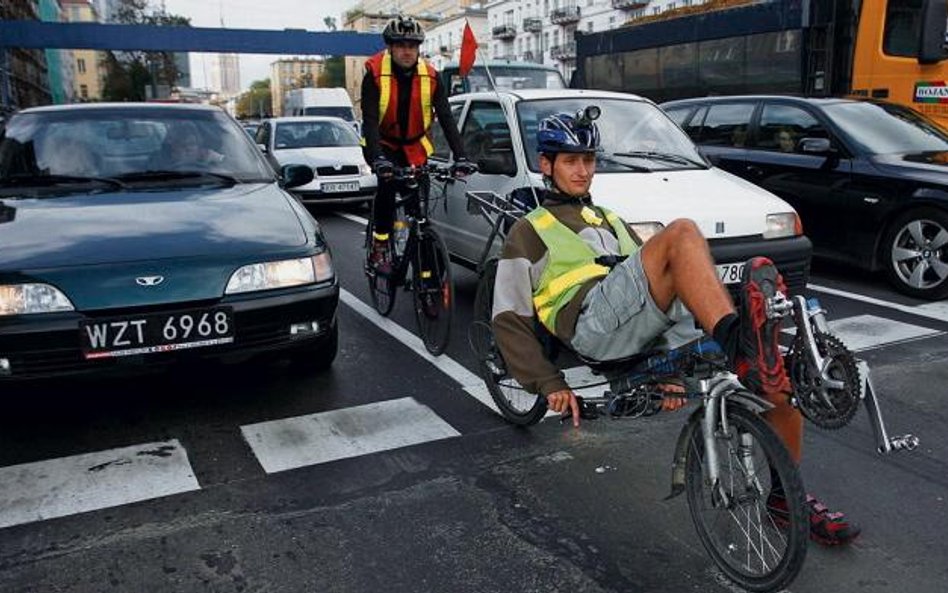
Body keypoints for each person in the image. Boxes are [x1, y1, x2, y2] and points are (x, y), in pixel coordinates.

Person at [491, 107, 861, 546]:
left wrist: (673, 366)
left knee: (777, 384)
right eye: (571, 161)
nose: (582, 170)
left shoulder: (609, 219)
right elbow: (508, 315)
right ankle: (739, 343)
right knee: (682, 233)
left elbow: (660, 292)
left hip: (630, 321)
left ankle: (786, 498)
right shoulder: (530, 229)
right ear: (546, 165)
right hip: (590, 323)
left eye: (588, 160)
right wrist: (546, 381)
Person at [360, 14, 475, 271]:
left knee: (419, 203)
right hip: (382, 143)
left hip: (414, 146)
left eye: (412, 46)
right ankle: (380, 244)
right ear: (390, 47)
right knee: (388, 186)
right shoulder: (375, 73)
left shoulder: (431, 77)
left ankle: (421, 258)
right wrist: (378, 158)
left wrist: (462, 156)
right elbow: (369, 121)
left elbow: (446, 118)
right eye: (401, 45)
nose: (407, 51)